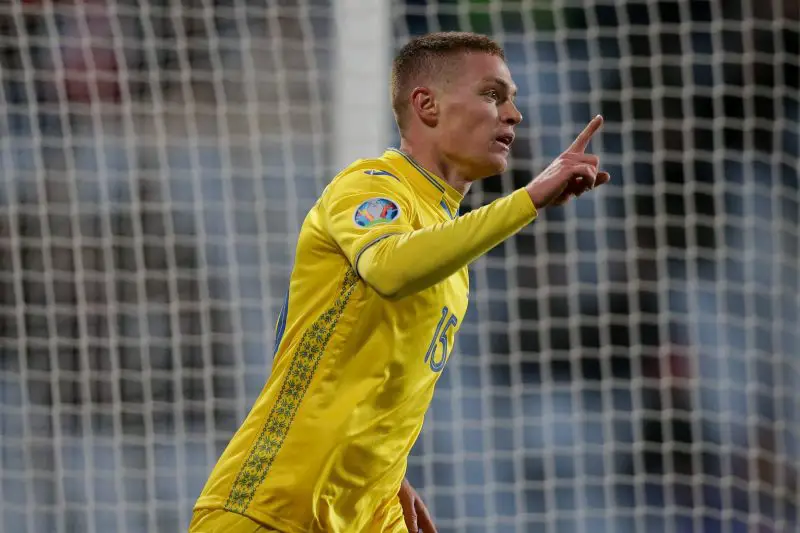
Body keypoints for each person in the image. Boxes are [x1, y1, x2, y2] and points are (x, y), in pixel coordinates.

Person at [189, 31, 610, 533]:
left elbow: (352, 367)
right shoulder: (370, 186)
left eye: (512, 99)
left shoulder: (447, 250)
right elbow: (387, 268)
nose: (514, 114)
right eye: (492, 95)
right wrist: (528, 199)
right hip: (271, 508)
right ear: (427, 105)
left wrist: (384, 472)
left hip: (363, 511)